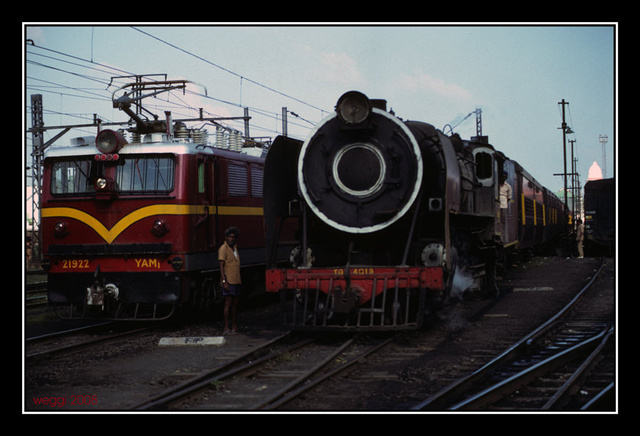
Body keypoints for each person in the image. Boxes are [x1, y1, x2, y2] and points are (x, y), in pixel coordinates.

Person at [218, 226, 241, 334]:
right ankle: (226, 327)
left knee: (235, 305)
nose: (232, 239)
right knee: (228, 304)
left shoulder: (235, 248)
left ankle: (234, 326)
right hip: (228, 281)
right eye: (230, 237)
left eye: (233, 237)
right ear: (226, 237)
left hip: (236, 280)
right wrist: (224, 281)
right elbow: (221, 266)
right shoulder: (223, 249)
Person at [499, 171, 512, 237]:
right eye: (502, 176)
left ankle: (502, 234)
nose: (503, 178)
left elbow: (509, 197)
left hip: (504, 204)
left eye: (505, 177)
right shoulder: (497, 184)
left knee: (503, 220)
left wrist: (504, 201)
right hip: (497, 202)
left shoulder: (508, 186)